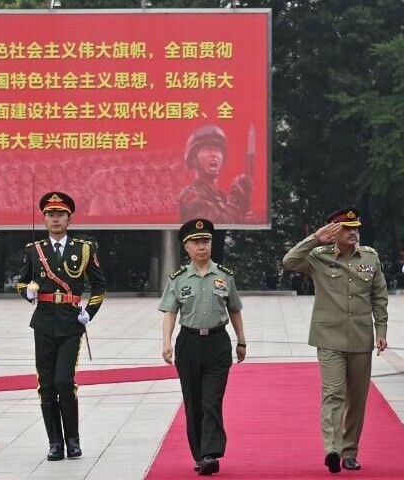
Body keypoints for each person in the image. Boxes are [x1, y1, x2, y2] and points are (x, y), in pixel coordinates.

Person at [282, 207, 388, 473]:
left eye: (356, 228)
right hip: (329, 337)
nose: (354, 232)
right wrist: (315, 238)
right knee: (333, 393)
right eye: (347, 228)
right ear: (334, 232)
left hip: (361, 337)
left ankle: (350, 451)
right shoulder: (318, 257)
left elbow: (379, 297)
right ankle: (332, 448)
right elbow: (289, 261)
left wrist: (382, 331)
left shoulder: (370, 258)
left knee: (357, 398)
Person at [16, 191, 107, 462]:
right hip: (43, 322)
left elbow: (99, 285)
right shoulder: (35, 251)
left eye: (60, 214)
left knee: (64, 382)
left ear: (69, 218)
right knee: (46, 385)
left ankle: (73, 440)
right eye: (50, 214)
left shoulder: (84, 248)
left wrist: (89, 312)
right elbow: (22, 282)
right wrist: (28, 292)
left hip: (70, 322)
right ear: (44, 219)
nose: (55, 219)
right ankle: (54, 443)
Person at [158, 218, 247, 476]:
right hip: (189, 344)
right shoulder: (177, 279)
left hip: (218, 343)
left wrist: (241, 340)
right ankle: (200, 455)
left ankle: (211, 453)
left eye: (205, 241)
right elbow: (170, 313)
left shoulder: (224, 276)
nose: (202, 247)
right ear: (186, 247)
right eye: (196, 242)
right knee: (194, 402)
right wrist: (166, 343)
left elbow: (234, 309)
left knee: (211, 401)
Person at [178, 125, 253, 224]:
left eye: (217, 150)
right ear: (193, 158)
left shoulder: (221, 197)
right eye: (207, 149)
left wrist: (245, 220)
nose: (214, 154)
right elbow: (220, 224)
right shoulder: (191, 195)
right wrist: (236, 196)